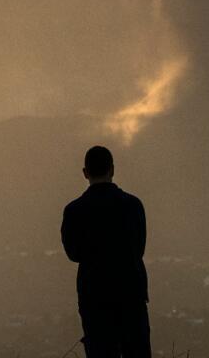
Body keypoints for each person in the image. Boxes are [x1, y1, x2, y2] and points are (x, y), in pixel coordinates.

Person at [61, 146, 151, 358]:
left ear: (85, 173)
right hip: (131, 292)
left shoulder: (74, 210)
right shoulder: (133, 205)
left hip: (94, 296)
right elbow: (139, 248)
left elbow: (73, 253)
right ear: (112, 170)